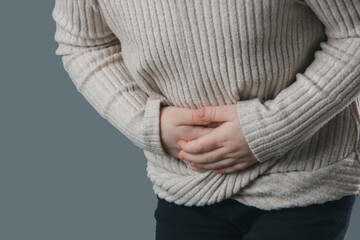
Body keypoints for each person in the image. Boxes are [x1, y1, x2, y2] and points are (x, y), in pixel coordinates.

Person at [52, 0, 360, 239]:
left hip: (300, 179)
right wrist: (146, 124)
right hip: (183, 183)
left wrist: (270, 129)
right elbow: (83, 42)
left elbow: (354, 34)